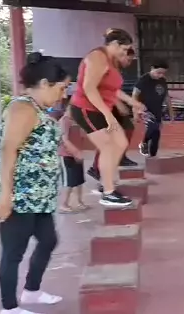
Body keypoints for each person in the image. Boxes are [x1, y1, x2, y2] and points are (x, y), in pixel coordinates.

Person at [0, 52, 70, 314]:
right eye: (61, 88)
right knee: (14, 251)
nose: (63, 95)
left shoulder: (38, 109)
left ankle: (32, 291)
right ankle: (9, 309)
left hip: (38, 196)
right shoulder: (22, 108)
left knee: (48, 240)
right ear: (44, 83)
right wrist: (5, 195)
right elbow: (7, 150)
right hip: (20, 195)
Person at [69, 28, 144, 207]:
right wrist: (108, 114)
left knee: (121, 143)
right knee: (108, 147)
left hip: (101, 109)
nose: (125, 53)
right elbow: (89, 88)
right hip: (86, 109)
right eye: (124, 49)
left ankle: (106, 182)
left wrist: (133, 102)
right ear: (115, 44)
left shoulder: (111, 61)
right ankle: (108, 193)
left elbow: (113, 89)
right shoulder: (97, 57)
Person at [87, 47, 139, 194]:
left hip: (110, 106)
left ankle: (119, 159)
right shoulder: (105, 65)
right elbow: (102, 88)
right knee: (108, 141)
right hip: (103, 107)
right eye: (128, 59)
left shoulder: (116, 68)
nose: (129, 62)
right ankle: (99, 172)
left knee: (127, 130)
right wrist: (119, 103)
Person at [136, 60, 174, 157]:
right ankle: (144, 142)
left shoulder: (162, 80)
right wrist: (135, 110)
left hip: (157, 110)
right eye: (158, 72)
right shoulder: (144, 79)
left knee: (156, 134)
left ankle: (153, 157)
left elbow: (167, 97)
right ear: (152, 68)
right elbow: (134, 94)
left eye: (163, 73)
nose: (160, 75)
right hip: (145, 109)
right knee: (153, 126)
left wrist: (171, 112)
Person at [58, 103, 89, 213]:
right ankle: (64, 204)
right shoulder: (65, 121)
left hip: (77, 154)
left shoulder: (76, 121)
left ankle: (79, 202)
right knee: (69, 181)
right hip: (67, 155)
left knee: (79, 180)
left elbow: (83, 135)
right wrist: (75, 152)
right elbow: (64, 139)